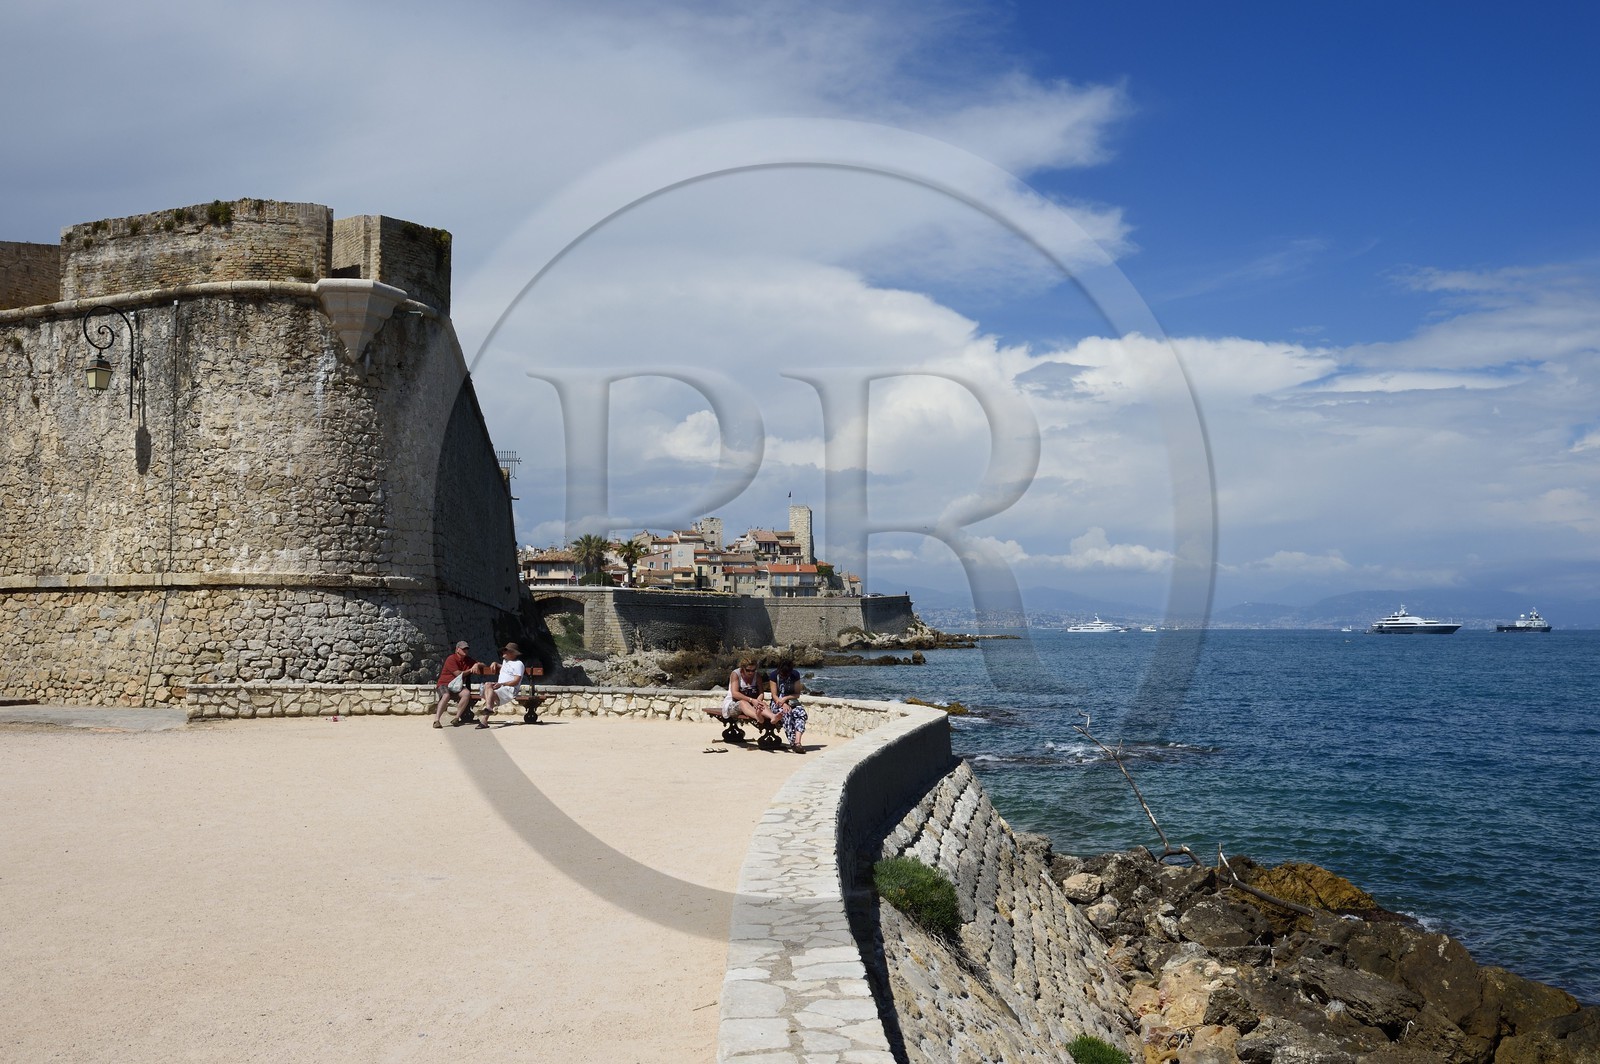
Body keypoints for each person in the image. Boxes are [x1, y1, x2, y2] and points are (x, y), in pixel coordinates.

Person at [476, 642, 526, 729]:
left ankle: (486, 715)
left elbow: (516, 681)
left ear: (513, 653)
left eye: (506, 651)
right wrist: (495, 663)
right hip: (500, 688)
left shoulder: (519, 664)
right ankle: (488, 712)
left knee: (489, 690)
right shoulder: (506, 662)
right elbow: (505, 667)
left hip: (509, 690)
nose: (503, 652)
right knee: (488, 684)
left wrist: (502, 684)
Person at [768, 656, 807, 752]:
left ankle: (798, 742)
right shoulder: (774, 676)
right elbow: (774, 695)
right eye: (782, 674)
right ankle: (793, 742)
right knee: (786, 713)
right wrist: (782, 703)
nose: (784, 677)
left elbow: (797, 694)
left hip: (792, 702)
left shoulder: (795, 675)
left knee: (801, 713)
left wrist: (786, 698)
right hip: (777, 703)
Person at [432, 641, 475, 728]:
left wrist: (477, 665)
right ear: (457, 649)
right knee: (446, 695)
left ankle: (456, 718)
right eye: (463, 649)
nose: (465, 651)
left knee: (466, 693)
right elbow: (458, 674)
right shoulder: (451, 659)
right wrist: (470, 670)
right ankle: (436, 720)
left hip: (456, 686)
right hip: (444, 684)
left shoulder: (468, 660)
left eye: (467, 649)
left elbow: (481, 664)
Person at [714, 658, 770, 724]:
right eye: (748, 670)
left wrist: (758, 701)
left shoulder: (757, 676)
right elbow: (735, 693)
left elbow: (761, 693)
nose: (751, 673)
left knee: (762, 704)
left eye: (753, 670)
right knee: (743, 703)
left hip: (751, 704)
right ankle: (757, 716)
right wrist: (751, 700)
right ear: (742, 668)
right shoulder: (736, 674)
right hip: (734, 703)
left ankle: (772, 717)